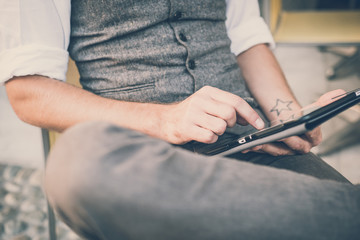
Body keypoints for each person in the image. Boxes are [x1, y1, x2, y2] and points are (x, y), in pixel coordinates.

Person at [1, 0, 359, 239]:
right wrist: (164, 120)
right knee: (79, 160)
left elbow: (247, 38)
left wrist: (290, 118)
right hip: (141, 160)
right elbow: (29, 92)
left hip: (252, 144)